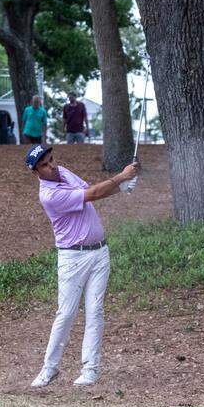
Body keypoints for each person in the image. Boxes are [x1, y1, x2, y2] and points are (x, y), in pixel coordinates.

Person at [26, 144, 138, 388]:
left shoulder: (63, 172)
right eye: (44, 165)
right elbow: (93, 195)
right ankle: (49, 369)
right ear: (36, 172)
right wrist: (121, 178)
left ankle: (90, 370)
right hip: (72, 258)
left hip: (99, 252)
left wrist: (121, 187)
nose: (52, 166)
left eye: (51, 159)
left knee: (95, 311)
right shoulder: (49, 196)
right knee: (66, 314)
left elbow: (89, 190)